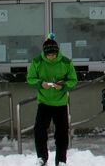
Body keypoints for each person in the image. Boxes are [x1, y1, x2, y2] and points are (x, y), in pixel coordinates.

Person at [27, 35, 77, 166]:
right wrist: (40, 83)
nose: (51, 57)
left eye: (54, 54)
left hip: (60, 103)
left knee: (61, 132)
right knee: (39, 130)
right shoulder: (37, 61)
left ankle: (61, 159)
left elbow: (73, 80)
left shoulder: (66, 62)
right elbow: (30, 78)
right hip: (44, 102)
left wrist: (64, 85)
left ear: (57, 52)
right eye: (49, 55)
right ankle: (42, 157)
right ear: (44, 53)